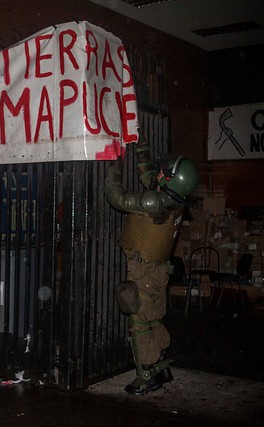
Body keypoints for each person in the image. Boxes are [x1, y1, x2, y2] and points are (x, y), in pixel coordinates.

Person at [105, 139, 199, 396]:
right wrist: (140, 144)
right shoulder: (175, 199)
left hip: (143, 271)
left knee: (139, 324)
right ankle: (159, 365)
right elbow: (150, 176)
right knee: (154, 319)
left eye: (164, 173)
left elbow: (116, 197)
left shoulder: (154, 204)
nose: (159, 174)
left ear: (171, 182)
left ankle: (145, 374)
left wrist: (113, 161)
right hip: (158, 271)